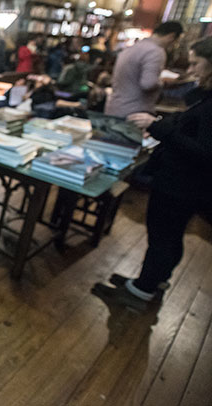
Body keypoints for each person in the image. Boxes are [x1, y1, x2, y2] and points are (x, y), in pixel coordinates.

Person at [93, 37, 212, 311]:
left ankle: (140, 292)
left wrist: (159, 127)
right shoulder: (205, 98)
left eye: (196, 63)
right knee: (169, 236)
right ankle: (152, 281)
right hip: (183, 181)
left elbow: (204, 150)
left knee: (163, 236)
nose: (191, 69)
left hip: (181, 183)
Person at [104, 22, 184, 118]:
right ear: (171, 36)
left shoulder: (132, 48)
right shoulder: (155, 52)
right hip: (135, 112)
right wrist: (164, 81)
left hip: (114, 107)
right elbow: (148, 84)